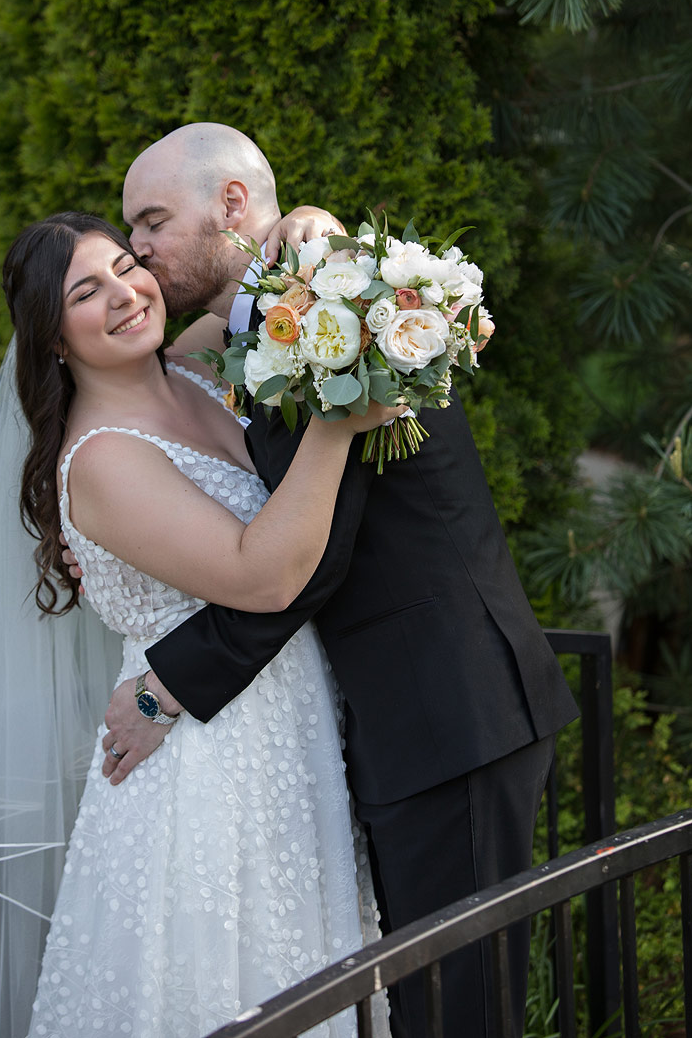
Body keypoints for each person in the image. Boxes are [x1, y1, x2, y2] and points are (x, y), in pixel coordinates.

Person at [92, 123, 581, 1038]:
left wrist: (170, 685)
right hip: (404, 724)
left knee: (461, 1017)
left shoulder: (339, 321)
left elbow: (308, 563)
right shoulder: (263, 323)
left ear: (232, 205)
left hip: (447, 716)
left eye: (152, 221)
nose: (140, 251)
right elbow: (149, 381)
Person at [0, 209, 395, 1038]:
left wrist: (311, 224)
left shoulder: (201, 365)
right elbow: (262, 576)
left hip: (294, 731)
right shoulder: (102, 460)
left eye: (127, 265)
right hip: (206, 772)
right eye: (87, 292)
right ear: (53, 339)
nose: (126, 294)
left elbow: (293, 291)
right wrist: (338, 421)